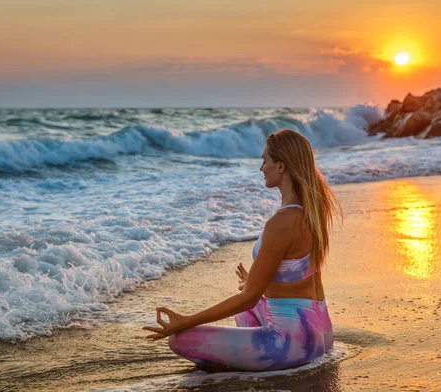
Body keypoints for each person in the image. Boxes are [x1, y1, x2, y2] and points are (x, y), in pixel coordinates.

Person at [142, 128, 341, 371]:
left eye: (264, 160)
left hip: (292, 345)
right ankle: (249, 356)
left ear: (281, 166)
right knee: (248, 310)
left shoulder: (281, 223)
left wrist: (185, 321)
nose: (261, 168)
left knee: (180, 339)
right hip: (321, 332)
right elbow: (302, 280)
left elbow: (248, 298)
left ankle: (250, 366)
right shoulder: (312, 211)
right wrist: (258, 283)